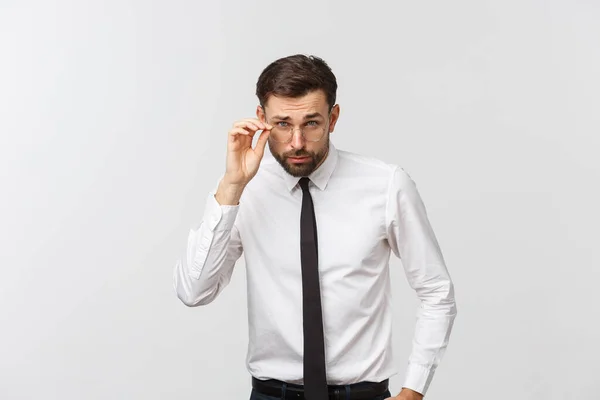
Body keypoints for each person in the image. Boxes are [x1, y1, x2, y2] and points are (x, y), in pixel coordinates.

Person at [173, 54, 457, 400]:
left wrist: (414, 390)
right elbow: (194, 292)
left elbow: (436, 291)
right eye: (282, 124)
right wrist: (231, 188)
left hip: (362, 393)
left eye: (311, 123)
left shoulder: (385, 185)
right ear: (260, 119)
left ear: (333, 118)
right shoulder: (245, 191)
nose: (296, 142)